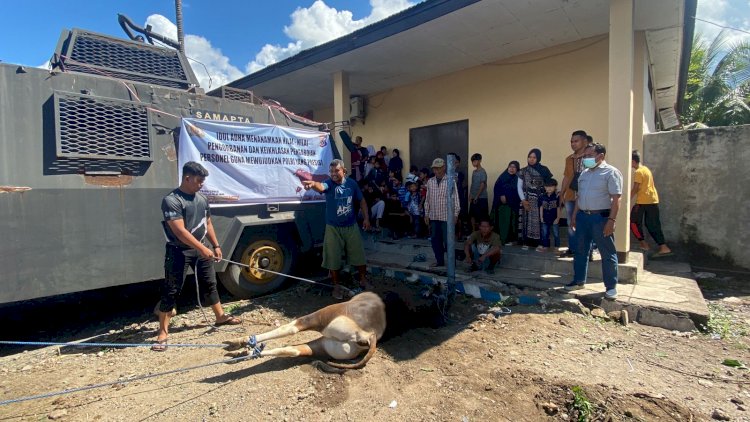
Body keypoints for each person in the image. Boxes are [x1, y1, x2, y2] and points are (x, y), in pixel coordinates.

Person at [156, 162, 242, 351]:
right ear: (187, 178)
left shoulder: (201, 199)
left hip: (201, 248)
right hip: (178, 251)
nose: (201, 184)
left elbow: (208, 223)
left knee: (210, 283)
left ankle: (220, 317)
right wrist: (201, 248)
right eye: (198, 181)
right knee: (172, 290)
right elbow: (180, 232)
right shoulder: (172, 200)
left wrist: (215, 245)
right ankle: (163, 332)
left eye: (203, 181)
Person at [303, 159, 371, 300]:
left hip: (351, 226)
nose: (333, 174)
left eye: (336, 171)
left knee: (359, 255)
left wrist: (366, 219)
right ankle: (336, 286)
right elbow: (320, 186)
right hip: (333, 228)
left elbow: (362, 201)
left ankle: (363, 280)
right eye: (331, 171)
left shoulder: (352, 184)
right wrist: (312, 184)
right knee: (333, 258)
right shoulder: (329, 183)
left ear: (344, 171)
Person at [565, 143, 623, 299]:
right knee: (580, 250)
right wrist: (575, 216)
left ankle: (611, 287)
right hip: (583, 217)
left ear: (601, 156)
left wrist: (612, 220)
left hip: (601, 218)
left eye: (589, 155)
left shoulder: (611, 173)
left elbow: (617, 199)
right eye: (585, 156)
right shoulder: (584, 174)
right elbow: (579, 198)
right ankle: (578, 280)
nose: (585, 159)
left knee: (607, 252)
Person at [630, 150, 672, 256]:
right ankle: (663, 247)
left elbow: (636, 187)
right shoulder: (646, 169)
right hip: (652, 200)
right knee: (653, 224)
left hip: (643, 201)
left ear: (633, 161)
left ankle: (644, 244)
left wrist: (627, 200)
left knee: (633, 222)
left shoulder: (639, 172)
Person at [424, 158, 461, 267]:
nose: (437, 170)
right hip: (434, 217)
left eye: (439, 168)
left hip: (446, 218)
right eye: (435, 168)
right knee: (435, 241)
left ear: (444, 167)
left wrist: (455, 215)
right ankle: (439, 261)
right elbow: (427, 199)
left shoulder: (450, 180)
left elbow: (456, 199)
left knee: (448, 242)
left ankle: (451, 264)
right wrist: (426, 213)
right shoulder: (430, 182)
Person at [558, 130, 588, 257]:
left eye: (576, 141)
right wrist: (561, 194)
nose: (573, 144)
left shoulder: (590, 157)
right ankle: (572, 248)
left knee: (586, 224)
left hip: (586, 197)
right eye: (571, 142)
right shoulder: (569, 159)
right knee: (571, 223)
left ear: (584, 141)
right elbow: (566, 177)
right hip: (571, 196)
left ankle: (587, 251)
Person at [517, 148, 553, 249]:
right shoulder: (523, 171)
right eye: (530, 157)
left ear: (538, 158)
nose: (531, 159)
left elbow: (550, 184)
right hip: (527, 200)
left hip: (541, 201)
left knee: (541, 220)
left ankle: (541, 243)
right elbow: (519, 186)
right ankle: (527, 242)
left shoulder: (544, 170)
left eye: (534, 157)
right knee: (527, 221)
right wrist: (523, 200)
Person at [491, 161, 521, 245]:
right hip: (501, 206)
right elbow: (497, 187)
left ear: (517, 169)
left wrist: (508, 197)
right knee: (500, 223)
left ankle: (509, 239)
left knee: (511, 223)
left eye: (514, 167)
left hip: (512, 206)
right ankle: (498, 239)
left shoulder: (518, 179)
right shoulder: (502, 177)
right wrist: (501, 194)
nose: (511, 169)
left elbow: (518, 191)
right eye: (510, 166)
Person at [539, 179, 561, 252]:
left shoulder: (557, 196)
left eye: (551, 186)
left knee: (556, 233)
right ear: (544, 187)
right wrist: (541, 217)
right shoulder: (542, 196)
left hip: (554, 218)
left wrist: (558, 218)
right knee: (545, 233)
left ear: (555, 187)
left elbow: (558, 207)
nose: (549, 188)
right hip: (545, 218)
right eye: (547, 186)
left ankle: (557, 247)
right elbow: (541, 207)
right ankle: (545, 246)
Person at [469, 153, 489, 231]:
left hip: (481, 198)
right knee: (472, 215)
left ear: (480, 161)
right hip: (473, 197)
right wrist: (470, 195)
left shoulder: (483, 172)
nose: (473, 163)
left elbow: (482, 184)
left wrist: (477, 196)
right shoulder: (474, 172)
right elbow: (473, 184)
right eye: (472, 161)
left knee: (482, 217)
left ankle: (482, 233)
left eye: (475, 161)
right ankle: (473, 232)